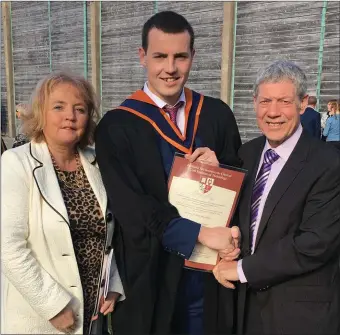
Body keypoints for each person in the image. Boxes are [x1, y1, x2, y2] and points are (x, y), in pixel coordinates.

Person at [95, 10, 242, 335]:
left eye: (180, 56)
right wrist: (197, 234)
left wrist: (223, 171)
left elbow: (239, 188)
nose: (171, 68)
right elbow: (131, 208)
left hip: (209, 280)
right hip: (149, 277)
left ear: (193, 56)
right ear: (142, 56)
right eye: (160, 56)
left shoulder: (217, 115)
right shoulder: (117, 126)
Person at [213, 60, 340, 335]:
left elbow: (316, 243)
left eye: (284, 101)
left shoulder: (329, 164)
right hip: (244, 309)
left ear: (303, 103)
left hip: (297, 314)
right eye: (265, 101)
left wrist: (242, 269)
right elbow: (244, 220)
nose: (273, 112)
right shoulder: (246, 154)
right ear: (254, 102)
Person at [1, 72, 125, 335]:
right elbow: (8, 246)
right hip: (42, 316)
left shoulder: (98, 163)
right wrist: (53, 306)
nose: (70, 115)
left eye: (79, 109)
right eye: (58, 107)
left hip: (94, 311)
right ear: (40, 113)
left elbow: (113, 230)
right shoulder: (16, 163)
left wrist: (113, 284)